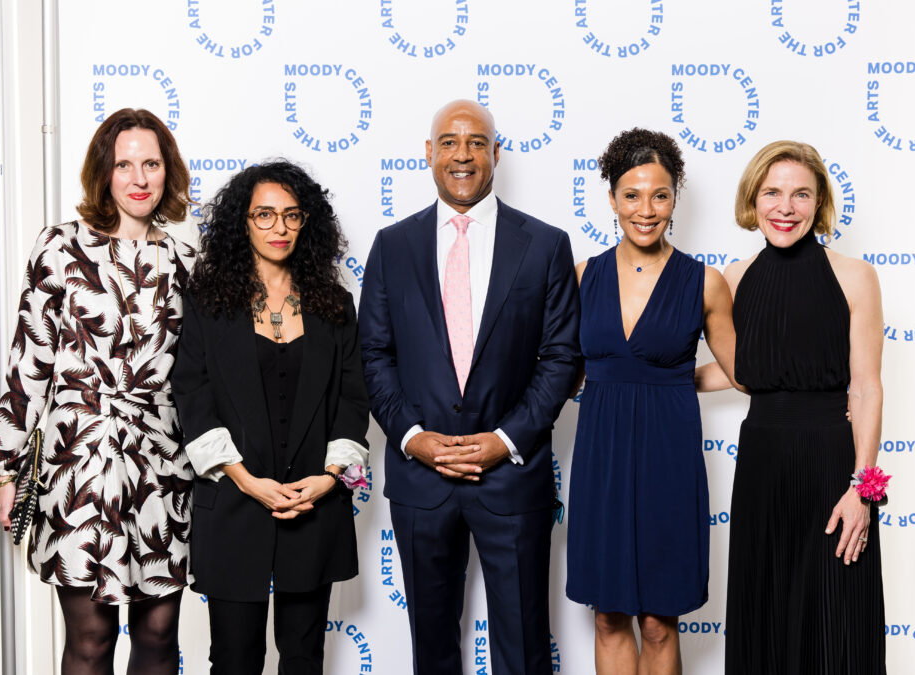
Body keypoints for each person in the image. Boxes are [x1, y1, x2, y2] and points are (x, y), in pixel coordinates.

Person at [358, 99, 580, 675]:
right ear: (428, 154)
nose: (463, 154)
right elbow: (374, 355)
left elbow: (560, 358)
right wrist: (413, 437)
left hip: (512, 475)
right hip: (419, 479)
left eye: (477, 142)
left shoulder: (545, 245)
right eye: (450, 142)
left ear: (496, 154)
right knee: (431, 649)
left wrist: (504, 439)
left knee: (525, 645)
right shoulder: (392, 246)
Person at [0, 107, 195, 674]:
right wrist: (5, 467)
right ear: (104, 173)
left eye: (151, 163)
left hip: (162, 464)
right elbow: (29, 361)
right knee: (92, 637)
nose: (140, 178)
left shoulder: (186, 261)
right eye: (125, 164)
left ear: (168, 172)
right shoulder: (59, 246)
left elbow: (201, 374)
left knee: (159, 632)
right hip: (79, 460)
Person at [171, 160, 370, 675]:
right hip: (235, 508)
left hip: (313, 508)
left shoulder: (335, 305)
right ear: (243, 222)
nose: (279, 228)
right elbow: (194, 397)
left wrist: (327, 481)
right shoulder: (207, 303)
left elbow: (353, 400)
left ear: (308, 223)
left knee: (304, 659)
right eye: (264, 215)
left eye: (291, 215)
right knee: (234, 660)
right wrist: (246, 481)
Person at [701, 141, 886, 673]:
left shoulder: (855, 276)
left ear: (819, 201)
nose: (786, 207)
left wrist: (862, 492)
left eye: (801, 194)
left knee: (839, 623)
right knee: (767, 616)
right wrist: (660, 379)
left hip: (832, 467)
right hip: (762, 465)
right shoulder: (732, 279)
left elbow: (867, 387)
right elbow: (746, 372)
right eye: (773, 193)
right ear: (753, 201)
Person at [565, 128, 738, 675]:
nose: (646, 209)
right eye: (632, 195)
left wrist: (671, 383)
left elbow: (742, 372)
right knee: (609, 616)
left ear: (675, 199)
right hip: (602, 455)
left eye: (659, 195)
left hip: (670, 454)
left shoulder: (704, 282)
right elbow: (562, 375)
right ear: (612, 198)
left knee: (661, 619)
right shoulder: (581, 277)